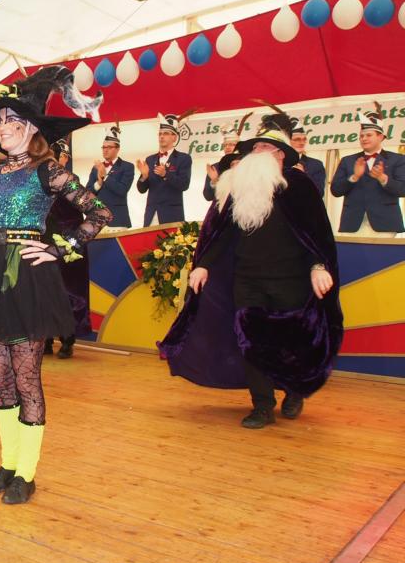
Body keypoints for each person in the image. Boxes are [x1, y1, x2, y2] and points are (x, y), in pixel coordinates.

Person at [0, 66, 111, 505]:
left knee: (26, 378)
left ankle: (27, 472)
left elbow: (99, 213)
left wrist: (61, 249)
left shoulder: (49, 171)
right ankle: (7, 463)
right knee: (0, 377)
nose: (3, 128)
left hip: (26, 276)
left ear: (31, 127)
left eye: (12, 120)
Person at [160, 112, 342, 429]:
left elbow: (315, 232)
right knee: (250, 340)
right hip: (247, 278)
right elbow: (222, 232)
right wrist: (203, 265)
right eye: (254, 147)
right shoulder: (241, 187)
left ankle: (293, 392)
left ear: (280, 154)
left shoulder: (300, 186)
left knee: (288, 341)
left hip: (291, 279)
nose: (255, 152)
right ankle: (262, 405)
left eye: (263, 147)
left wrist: (317, 266)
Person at [45, 138, 93, 359]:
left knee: (69, 292)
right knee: (45, 291)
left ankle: (67, 339)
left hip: (70, 244)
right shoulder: (37, 181)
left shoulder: (70, 182)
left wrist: (75, 240)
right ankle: (45, 337)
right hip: (46, 242)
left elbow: (96, 211)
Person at [330, 105, 405, 234]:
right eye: (361, 136)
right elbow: (335, 190)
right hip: (352, 223)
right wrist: (354, 177)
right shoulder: (348, 160)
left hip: (385, 223)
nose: (364, 139)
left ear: (380, 137)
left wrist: (382, 178)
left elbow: (403, 189)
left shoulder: (397, 159)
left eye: (368, 135)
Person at [135, 112, 193, 226]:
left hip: (172, 215)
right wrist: (144, 176)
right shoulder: (150, 159)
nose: (161, 136)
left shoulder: (183, 158)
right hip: (151, 215)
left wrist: (166, 174)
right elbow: (141, 190)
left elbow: (184, 185)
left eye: (166, 133)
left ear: (174, 137)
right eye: (160, 134)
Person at [85, 123, 133, 228]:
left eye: (109, 147)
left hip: (118, 219)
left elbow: (122, 190)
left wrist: (105, 177)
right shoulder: (96, 168)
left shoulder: (127, 166)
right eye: (103, 147)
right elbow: (87, 193)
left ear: (117, 149)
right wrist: (98, 183)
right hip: (97, 220)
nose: (105, 150)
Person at [202, 114, 249, 202]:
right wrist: (214, 181)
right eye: (225, 145)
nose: (227, 147)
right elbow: (208, 196)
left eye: (231, 144)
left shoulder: (247, 165)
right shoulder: (215, 167)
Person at [289, 117, 326, 194]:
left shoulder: (316, 164)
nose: (302, 143)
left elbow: (319, 193)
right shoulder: (279, 163)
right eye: (297, 139)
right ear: (287, 141)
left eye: (304, 139)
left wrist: (304, 176)